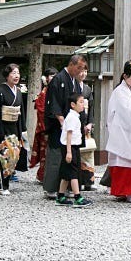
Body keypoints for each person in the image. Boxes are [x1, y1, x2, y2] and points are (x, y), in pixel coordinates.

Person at [43, 55, 87, 198]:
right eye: (78, 68)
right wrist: (62, 121)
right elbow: (53, 103)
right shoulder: (59, 79)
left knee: (71, 157)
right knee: (57, 155)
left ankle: (66, 188)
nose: (80, 71)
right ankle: (51, 188)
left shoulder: (73, 80)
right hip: (60, 125)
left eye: (82, 69)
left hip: (71, 123)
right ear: (71, 64)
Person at [104, 59, 131, 203]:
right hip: (122, 131)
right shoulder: (119, 92)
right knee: (124, 160)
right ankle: (125, 191)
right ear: (125, 76)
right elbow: (125, 112)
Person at [0, 64, 28, 195]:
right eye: (13, 73)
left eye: (18, 73)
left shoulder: (18, 91)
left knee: (13, 156)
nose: (16, 76)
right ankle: (1, 185)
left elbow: (21, 111)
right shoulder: (0, 90)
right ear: (7, 75)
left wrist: (22, 129)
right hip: (2, 127)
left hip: (14, 127)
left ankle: (6, 182)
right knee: (2, 156)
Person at [54, 93, 93, 207]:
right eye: (80, 102)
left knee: (66, 173)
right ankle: (77, 197)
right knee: (74, 172)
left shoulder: (75, 116)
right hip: (69, 147)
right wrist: (69, 152)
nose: (83, 104)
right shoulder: (71, 117)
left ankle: (60, 196)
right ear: (72, 104)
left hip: (71, 146)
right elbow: (69, 135)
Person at [30, 67, 57, 182]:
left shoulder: (57, 91)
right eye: (51, 75)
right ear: (46, 78)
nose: (54, 77)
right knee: (45, 153)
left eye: (56, 75)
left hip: (56, 126)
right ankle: (43, 176)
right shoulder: (43, 93)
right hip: (47, 127)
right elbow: (41, 112)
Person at [77, 69, 96, 191]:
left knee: (88, 154)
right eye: (80, 71)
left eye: (85, 71)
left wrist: (89, 123)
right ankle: (76, 182)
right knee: (76, 154)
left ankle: (88, 181)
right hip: (75, 123)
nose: (83, 74)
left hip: (86, 125)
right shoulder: (71, 86)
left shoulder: (88, 89)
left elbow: (91, 107)